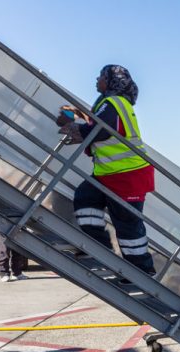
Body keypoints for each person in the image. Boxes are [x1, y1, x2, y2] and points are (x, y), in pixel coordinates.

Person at [56, 65, 155, 276]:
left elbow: (99, 132)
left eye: (101, 76)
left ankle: (142, 273)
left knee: (129, 227)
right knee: (84, 199)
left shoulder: (113, 102)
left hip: (128, 175)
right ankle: (100, 249)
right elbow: (99, 128)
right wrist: (77, 119)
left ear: (111, 81)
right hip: (108, 174)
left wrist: (71, 125)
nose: (97, 78)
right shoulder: (108, 103)